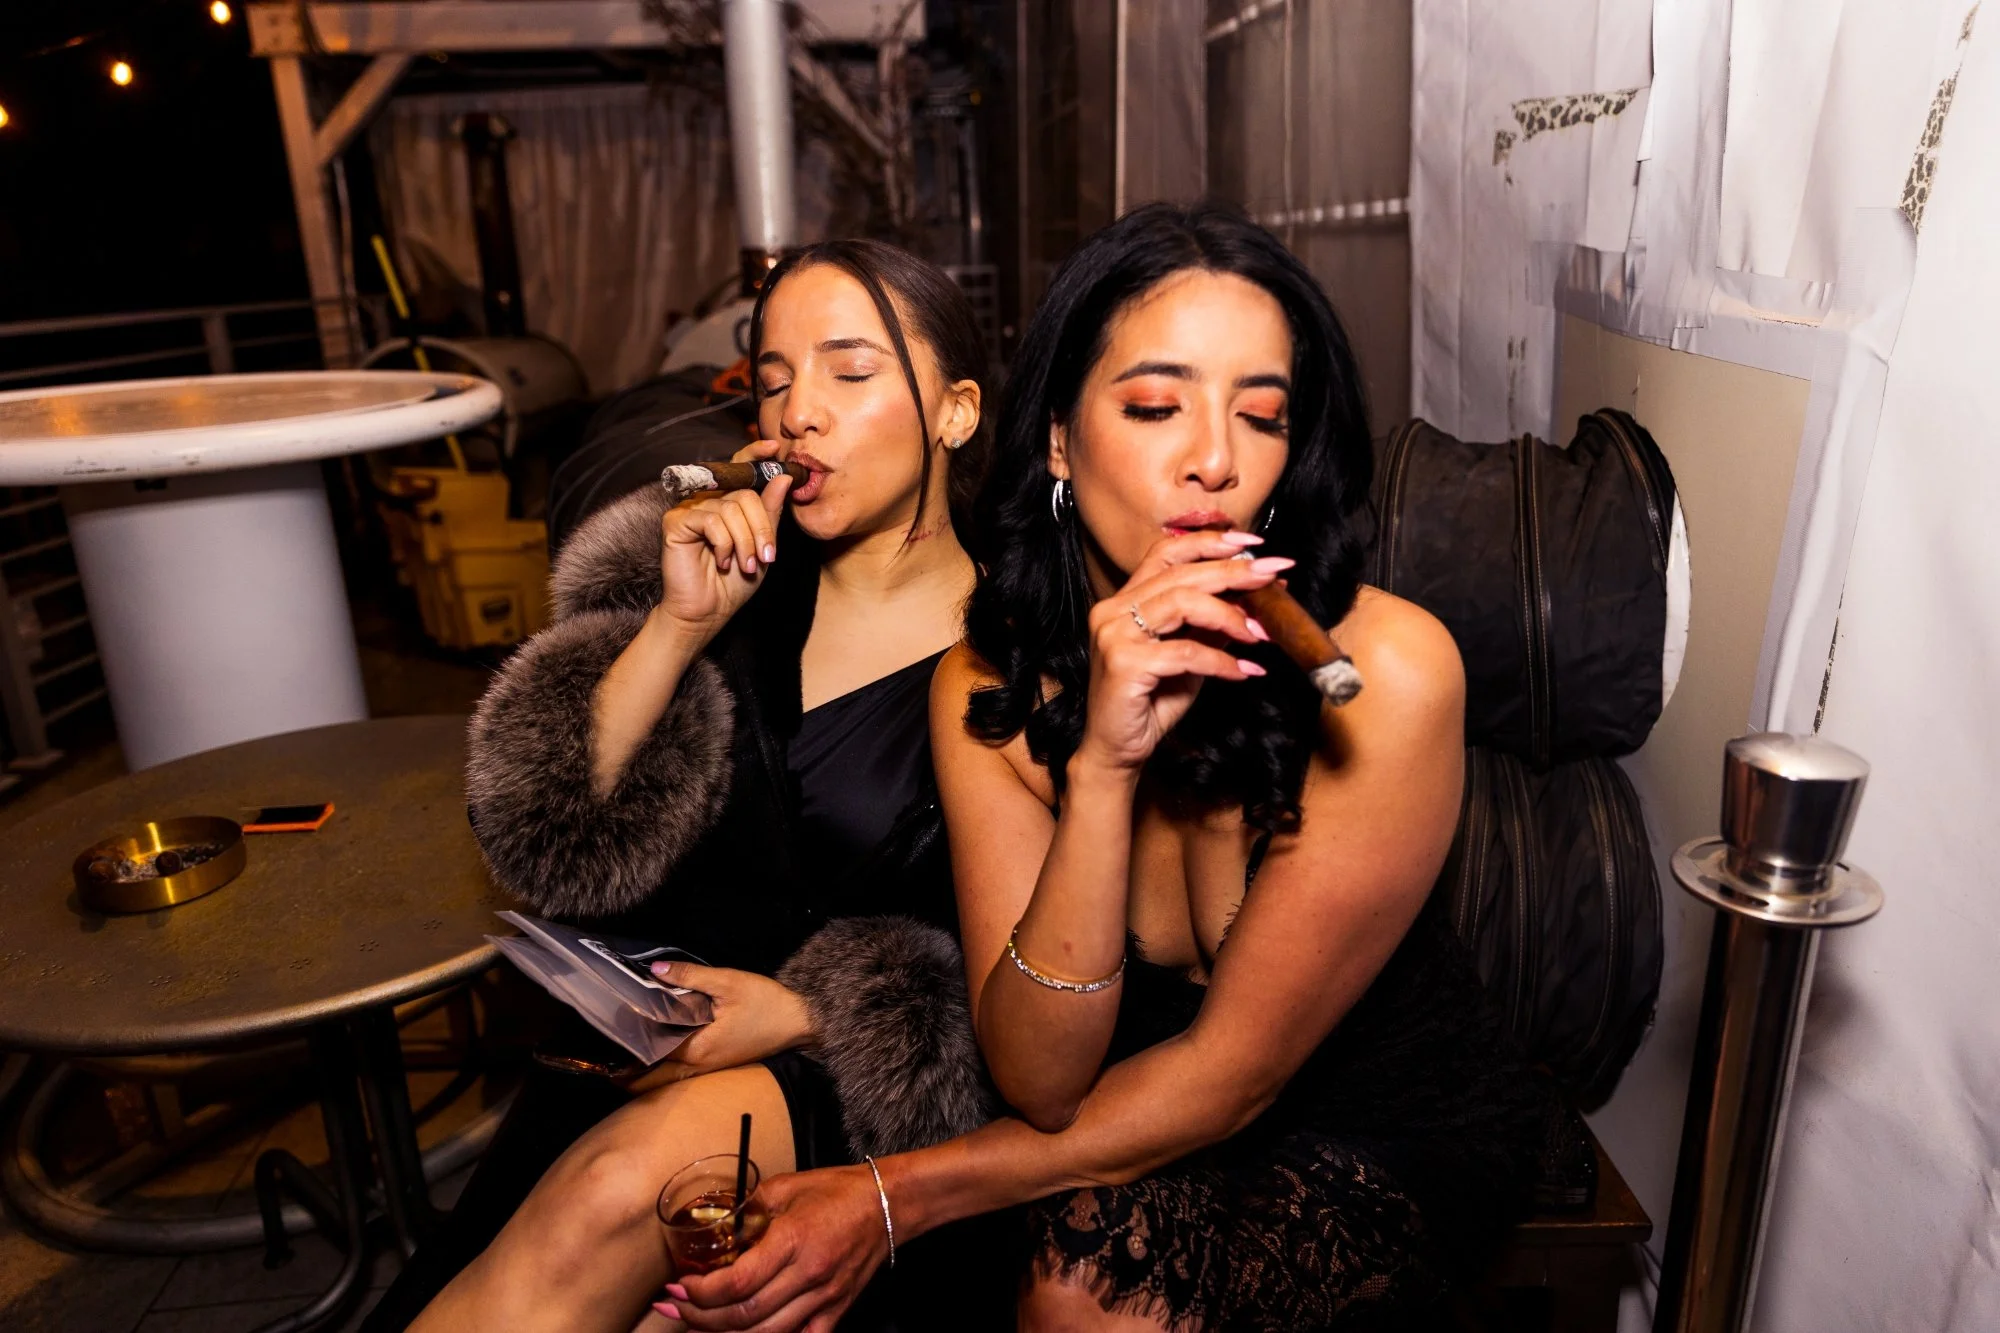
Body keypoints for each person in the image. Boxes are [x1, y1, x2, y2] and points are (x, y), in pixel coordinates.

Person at [669, 202, 1563, 1332]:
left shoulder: (1385, 670)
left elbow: (1235, 1074)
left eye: (1261, 417)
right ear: (1054, 439)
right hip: (1108, 1108)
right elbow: (1039, 1079)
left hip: (1375, 1116)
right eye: (1153, 405)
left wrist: (893, 1197)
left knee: (1076, 1291)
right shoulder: (984, 685)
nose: (1214, 461)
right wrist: (1100, 766)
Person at [365, 240, 1004, 1333]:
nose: (799, 409)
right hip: (641, 1057)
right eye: (774, 377)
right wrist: (671, 630)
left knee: (607, 1200)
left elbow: (1057, 979)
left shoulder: (1017, 648)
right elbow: (536, 835)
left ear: (953, 411)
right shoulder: (717, 580)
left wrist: (808, 1014)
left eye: (849, 373)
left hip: (862, 1093)